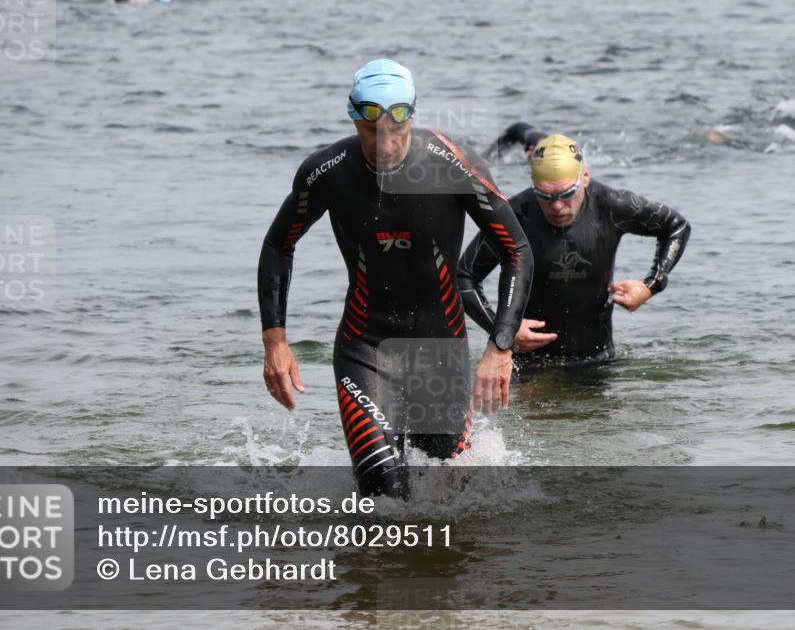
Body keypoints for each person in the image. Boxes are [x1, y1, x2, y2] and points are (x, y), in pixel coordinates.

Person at [257, 60, 532, 497]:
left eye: (396, 130)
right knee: (382, 488)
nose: (384, 144)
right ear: (353, 117)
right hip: (365, 345)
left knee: (449, 491)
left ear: (412, 116)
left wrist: (500, 345)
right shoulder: (327, 172)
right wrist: (275, 342)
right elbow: (278, 244)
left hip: (440, 349)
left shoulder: (453, 164)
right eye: (371, 130)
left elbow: (516, 249)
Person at [459, 125, 690, 369]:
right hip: (531, 366)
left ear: (585, 178)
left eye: (566, 193)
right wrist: (504, 331)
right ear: (534, 185)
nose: (557, 206)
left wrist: (650, 286)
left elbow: (676, 227)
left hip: (599, 362)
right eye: (545, 196)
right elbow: (464, 276)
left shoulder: (611, 206)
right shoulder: (516, 215)